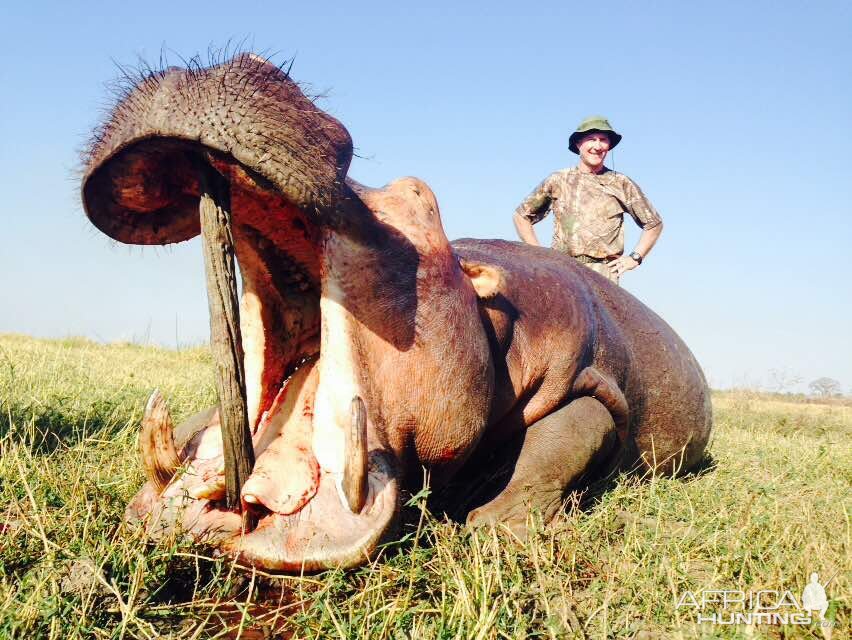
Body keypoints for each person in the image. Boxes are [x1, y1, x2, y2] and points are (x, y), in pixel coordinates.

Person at [513, 116, 663, 284]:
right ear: (578, 144)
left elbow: (653, 224)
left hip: (604, 274)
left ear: (609, 146)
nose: (597, 146)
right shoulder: (558, 180)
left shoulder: (621, 183)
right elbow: (521, 216)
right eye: (591, 139)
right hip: (562, 269)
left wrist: (635, 258)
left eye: (603, 140)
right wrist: (540, 254)